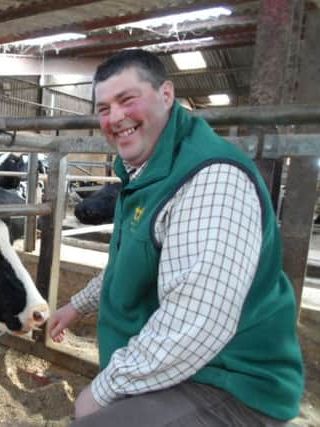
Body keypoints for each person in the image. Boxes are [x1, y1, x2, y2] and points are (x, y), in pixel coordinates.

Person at [48, 49, 304, 426]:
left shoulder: (211, 177)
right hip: (180, 370)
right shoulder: (146, 173)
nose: (115, 117)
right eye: (103, 109)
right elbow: (130, 262)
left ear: (166, 95)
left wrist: (100, 391)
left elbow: (195, 323)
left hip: (229, 383)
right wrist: (78, 305)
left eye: (127, 100)